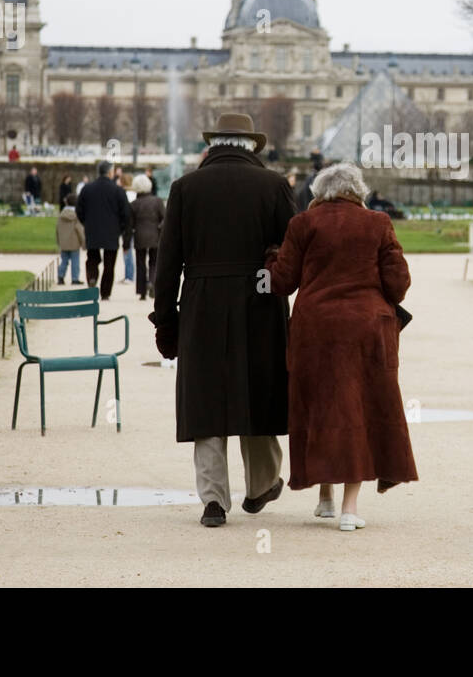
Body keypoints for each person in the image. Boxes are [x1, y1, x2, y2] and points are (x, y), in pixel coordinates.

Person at [151, 113, 296, 529]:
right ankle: (262, 484)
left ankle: (214, 500)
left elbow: (167, 264)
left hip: (203, 302)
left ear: (213, 145)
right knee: (258, 390)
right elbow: (295, 250)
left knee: (207, 398)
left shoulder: (185, 188)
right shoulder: (273, 186)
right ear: (252, 145)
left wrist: (165, 320)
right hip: (260, 298)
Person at [266, 162, 416, 531]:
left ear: (320, 193)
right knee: (359, 410)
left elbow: (282, 282)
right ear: (357, 191)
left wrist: (270, 257)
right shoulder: (377, 223)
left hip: (315, 328)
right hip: (366, 330)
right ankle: (349, 509)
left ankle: (325, 498)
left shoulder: (302, 224)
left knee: (319, 406)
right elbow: (398, 283)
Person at [76, 160, 131, 300]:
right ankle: (105, 292)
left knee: (92, 258)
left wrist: (86, 223)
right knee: (109, 264)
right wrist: (121, 229)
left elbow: (79, 210)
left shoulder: (87, 189)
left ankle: (93, 277)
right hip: (111, 231)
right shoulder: (118, 190)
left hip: (92, 229)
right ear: (110, 172)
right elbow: (125, 213)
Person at [130, 174, 165, 300]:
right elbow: (165, 218)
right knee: (154, 262)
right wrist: (160, 228)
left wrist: (125, 243)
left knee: (140, 264)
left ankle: (142, 291)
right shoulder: (157, 201)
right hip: (155, 235)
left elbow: (130, 224)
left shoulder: (133, 204)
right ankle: (152, 283)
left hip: (139, 236)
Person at [56, 198, 85, 285]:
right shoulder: (76, 216)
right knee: (75, 261)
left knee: (64, 261)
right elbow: (79, 230)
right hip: (74, 242)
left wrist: (59, 241)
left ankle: (60, 277)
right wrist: (83, 242)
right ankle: (75, 278)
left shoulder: (61, 215)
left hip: (64, 242)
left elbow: (57, 230)